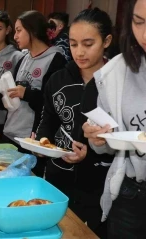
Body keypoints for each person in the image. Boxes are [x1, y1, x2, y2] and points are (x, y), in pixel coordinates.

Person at [36, 8, 114, 237]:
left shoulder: (117, 84)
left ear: (107, 41)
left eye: (88, 44)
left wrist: (89, 153)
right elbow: (48, 119)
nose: (79, 52)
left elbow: (125, 137)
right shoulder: (59, 79)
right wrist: (42, 142)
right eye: (73, 44)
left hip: (98, 184)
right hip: (57, 176)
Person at [82, 0, 146, 238]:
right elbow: (108, 145)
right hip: (132, 194)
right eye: (138, 22)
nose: (145, 34)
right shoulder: (117, 73)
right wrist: (98, 138)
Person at [0, 11, 66, 177]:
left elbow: (54, 105)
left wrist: (26, 93)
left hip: (32, 140)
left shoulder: (56, 60)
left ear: (33, 31)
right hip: (11, 132)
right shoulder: (23, 58)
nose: (15, 36)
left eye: (19, 30)